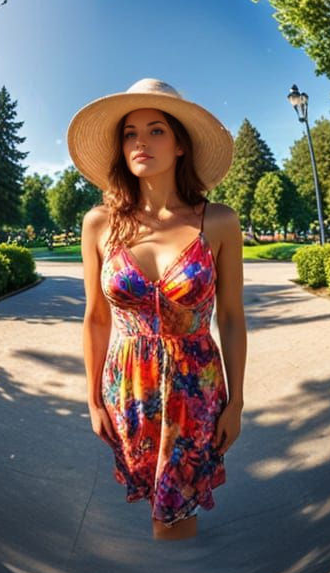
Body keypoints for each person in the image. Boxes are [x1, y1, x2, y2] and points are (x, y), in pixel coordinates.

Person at [68, 78, 246, 541]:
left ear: (181, 144)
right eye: (130, 133)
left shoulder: (220, 221)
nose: (140, 142)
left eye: (155, 130)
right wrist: (91, 399)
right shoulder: (98, 224)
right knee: (156, 505)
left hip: (196, 388)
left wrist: (237, 402)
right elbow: (96, 317)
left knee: (173, 516)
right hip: (129, 387)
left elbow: (230, 317)